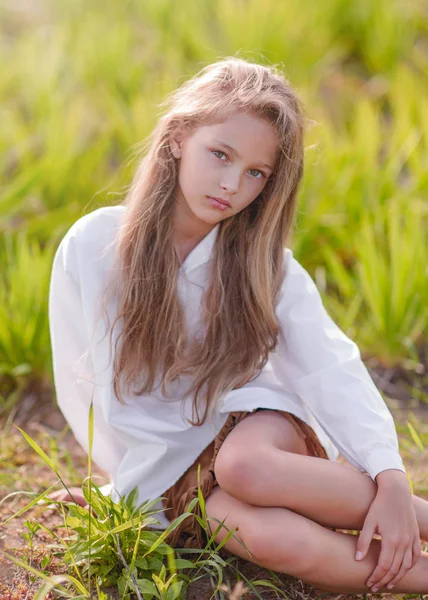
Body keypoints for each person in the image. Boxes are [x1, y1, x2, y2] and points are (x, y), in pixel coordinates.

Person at [48, 56, 428, 594]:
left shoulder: (263, 264)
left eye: (255, 173)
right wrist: (123, 485)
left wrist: (389, 476)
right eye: (220, 155)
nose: (231, 184)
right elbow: (88, 388)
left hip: (252, 426)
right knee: (264, 537)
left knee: (246, 466)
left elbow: (329, 366)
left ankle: (410, 513)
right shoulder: (94, 247)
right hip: (175, 468)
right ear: (179, 136)